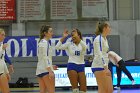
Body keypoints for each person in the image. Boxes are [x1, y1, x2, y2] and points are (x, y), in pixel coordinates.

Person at [55, 28, 87, 93]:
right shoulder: (69, 44)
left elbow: (86, 47)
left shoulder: (82, 44)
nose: (73, 37)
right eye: (72, 35)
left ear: (79, 35)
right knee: (75, 89)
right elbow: (57, 47)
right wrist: (63, 37)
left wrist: (79, 39)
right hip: (72, 65)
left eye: (74, 35)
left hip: (81, 66)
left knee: (83, 89)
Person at [91, 22, 113, 93]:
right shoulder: (98, 38)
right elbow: (99, 53)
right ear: (104, 28)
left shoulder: (105, 39)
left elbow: (105, 54)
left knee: (109, 90)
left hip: (104, 66)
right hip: (99, 66)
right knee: (103, 90)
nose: (110, 29)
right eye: (109, 27)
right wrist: (105, 67)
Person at [36, 25, 57, 93]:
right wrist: (50, 70)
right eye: (50, 31)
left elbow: (42, 58)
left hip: (40, 70)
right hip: (46, 71)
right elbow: (45, 57)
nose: (52, 33)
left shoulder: (41, 42)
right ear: (45, 33)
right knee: (51, 91)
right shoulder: (45, 43)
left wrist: (51, 66)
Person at [0, 28, 11, 93]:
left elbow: (2, 60)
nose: (4, 36)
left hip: (1, 72)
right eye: (2, 35)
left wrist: (7, 72)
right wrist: (3, 49)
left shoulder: (2, 45)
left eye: (4, 35)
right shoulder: (2, 47)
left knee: (6, 91)